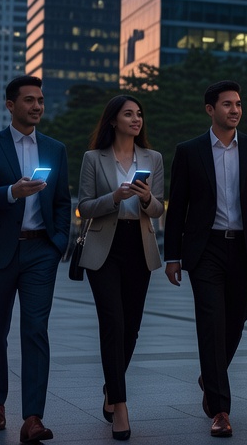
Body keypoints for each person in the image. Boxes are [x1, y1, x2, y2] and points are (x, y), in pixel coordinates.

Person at [163, 80, 247, 439]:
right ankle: (220, 409)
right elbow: (177, 205)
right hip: (205, 249)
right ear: (210, 110)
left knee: (237, 317)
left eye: (238, 104)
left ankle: (210, 375)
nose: (235, 110)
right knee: (211, 321)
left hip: (243, 248)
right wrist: (173, 256)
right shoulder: (190, 150)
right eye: (227, 104)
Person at [0, 75, 71, 442]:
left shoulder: (55, 148)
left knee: (35, 331)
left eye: (40, 100)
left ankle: (33, 418)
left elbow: (62, 201)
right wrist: (11, 191)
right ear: (11, 105)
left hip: (41, 250)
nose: (37, 106)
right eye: (29, 100)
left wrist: (58, 242)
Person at [77, 95, 165, 441]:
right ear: (113, 120)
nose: (136, 119)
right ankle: (121, 405)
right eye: (128, 114)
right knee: (112, 323)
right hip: (104, 247)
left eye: (139, 113)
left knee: (132, 327)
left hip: (138, 246)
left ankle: (110, 387)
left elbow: (157, 209)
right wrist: (114, 197)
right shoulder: (92, 158)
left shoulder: (153, 158)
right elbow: (84, 206)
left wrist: (144, 197)